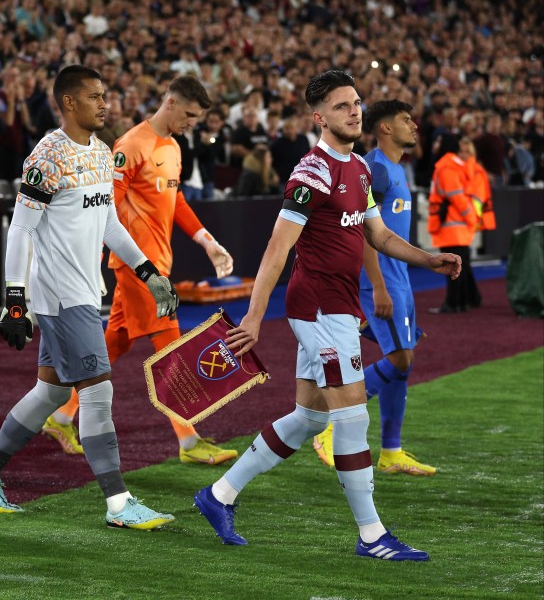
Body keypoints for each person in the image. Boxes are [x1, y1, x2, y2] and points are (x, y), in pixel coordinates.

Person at [193, 71, 461, 560]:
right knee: (353, 415)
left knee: (309, 417)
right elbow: (278, 248)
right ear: (319, 117)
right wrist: (253, 316)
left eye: (356, 103)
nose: (354, 111)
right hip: (317, 309)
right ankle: (372, 535)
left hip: (336, 307)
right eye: (341, 106)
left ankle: (219, 495)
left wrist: (428, 258)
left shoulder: (359, 167)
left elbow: (376, 235)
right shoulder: (311, 173)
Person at [0, 65, 180, 530]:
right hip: (60, 294)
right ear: (68, 103)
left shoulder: (102, 153)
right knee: (98, 392)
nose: (106, 104)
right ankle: (119, 503)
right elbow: (20, 229)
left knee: (50, 391)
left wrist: (148, 273)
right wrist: (14, 299)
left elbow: (110, 226)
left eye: (106, 95)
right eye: (96, 97)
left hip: (84, 288)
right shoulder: (46, 157)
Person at [44, 75, 238, 465]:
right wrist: (93, 258)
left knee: (117, 340)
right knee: (170, 348)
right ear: (169, 103)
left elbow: (175, 198)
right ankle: (189, 440)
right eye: (189, 115)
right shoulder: (131, 145)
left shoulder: (173, 146)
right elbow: (104, 207)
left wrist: (207, 241)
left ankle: (61, 415)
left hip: (158, 264)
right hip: (138, 268)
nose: (191, 123)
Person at [312, 99, 436, 477]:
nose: (413, 125)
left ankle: (392, 451)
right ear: (384, 128)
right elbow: (365, 232)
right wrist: (378, 287)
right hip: (380, 283)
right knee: (400, 359)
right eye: (404, 120)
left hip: (402, 281)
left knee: (404, 362)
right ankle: (332, 423)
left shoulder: (396, 169)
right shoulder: (376, 170)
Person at [427, 134, 479, 313]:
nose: (436, 143)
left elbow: (456, 197)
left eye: (440, 140)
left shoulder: (447, 168)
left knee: (452, 268)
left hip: (452, 226)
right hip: (459, 226)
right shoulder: (454, 166)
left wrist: (471, 218)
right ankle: (462, 302)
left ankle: (453, 303)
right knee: (461, 267)